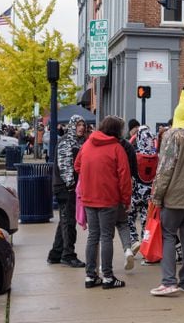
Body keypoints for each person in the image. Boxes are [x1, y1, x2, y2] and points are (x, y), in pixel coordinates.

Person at [149, 88, 184, 296]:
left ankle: (168, 281)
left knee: (169, 236)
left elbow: (165, 168)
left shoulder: (172, 136)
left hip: (173, 196)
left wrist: (157, 195)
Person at [75, 116, 132, 290]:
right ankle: (107, 276)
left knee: (93, 236)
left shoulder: (87, 145)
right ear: (117, 130)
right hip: (108, 198)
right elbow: (124, 178)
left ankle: (90, 276)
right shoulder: (116, 148)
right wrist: (126, 200)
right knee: (106, 236)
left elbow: (77, 166)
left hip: (89, 196)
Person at [47, 115, 87, 268]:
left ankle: (56, 253)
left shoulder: (78, 142)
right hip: (65, 187)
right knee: (69, 222)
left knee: (64, 220)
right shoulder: (66, 143)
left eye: (83, 124)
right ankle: (68, 255)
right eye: (78, 124)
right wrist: (71, 185)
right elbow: (65, 167)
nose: (81, 127)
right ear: (72, 126)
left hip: (68, 187)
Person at [128, 125, 156, 256]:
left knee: (130, 217)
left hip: (135, 192)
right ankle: (146, 247)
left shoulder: (135, 154)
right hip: (149, 193)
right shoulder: (156, 156)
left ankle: (133, 240)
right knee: (146, 220)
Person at [116, 133, 138, 271]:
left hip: (105, 192)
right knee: (123, 224)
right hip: (124, 189)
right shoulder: (128, 146)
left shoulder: (106, 146)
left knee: (104, 233)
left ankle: (102, 267)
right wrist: (126, 199)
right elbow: (132, 171)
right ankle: (128, 249)